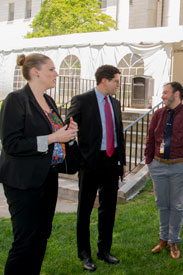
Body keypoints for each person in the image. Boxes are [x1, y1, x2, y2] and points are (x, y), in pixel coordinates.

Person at [0, 53, 78, 275]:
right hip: (23, 182)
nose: (57, 73)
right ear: (36, 72)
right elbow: (11, 143)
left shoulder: (49, 101)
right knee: (25, 241)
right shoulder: (16, 100)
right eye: (52, 69)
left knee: (42, 236)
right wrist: (54, 138)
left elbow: (55, 134)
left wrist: (68, 135)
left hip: (47, 178)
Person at [66, 65, 126, 272]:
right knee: (84, 210)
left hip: (111, 162)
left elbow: (119, 133)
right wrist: (79, 157)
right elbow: (68, 128)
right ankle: (85, 254)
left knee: (108, 209)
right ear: (104, 80)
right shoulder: (82, 100)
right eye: (116, 81)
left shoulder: (115, 103)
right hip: (90, 163)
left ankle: (104, 251)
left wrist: (122, 162)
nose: (119, 84)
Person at [145, 81, 183, 259]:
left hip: (180, 166)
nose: (162, 96)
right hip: (158, 165)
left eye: (165, 93)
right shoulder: (158, 114)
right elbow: (150, 137)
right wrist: (149, 159)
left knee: (176, 205)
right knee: (162, 204)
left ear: (176, 94)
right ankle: (163, 239)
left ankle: (173, 241)